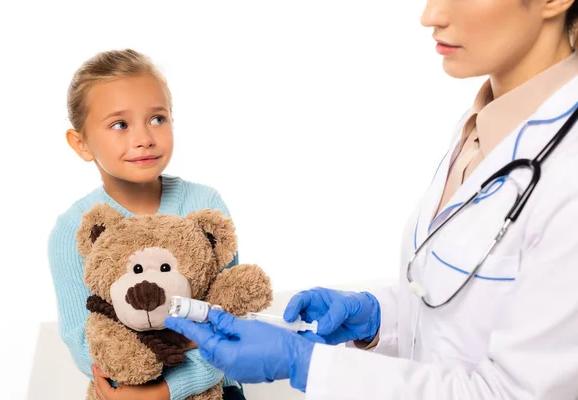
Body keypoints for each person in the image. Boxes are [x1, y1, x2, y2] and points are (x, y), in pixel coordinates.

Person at [164, 0, 578, 398]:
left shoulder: (568, 174)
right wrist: (380, 317)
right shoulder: (488, 122)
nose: (429, 15)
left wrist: (305, 364)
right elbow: (462, 302)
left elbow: (518, 392)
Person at [48, 49, 246, 400]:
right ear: (81, 144)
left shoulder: (204, 205)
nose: (144, 138)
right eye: (120, 125)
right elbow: (83, 337)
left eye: (157, 119)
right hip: (127, 390)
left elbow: (231, 318)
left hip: (215, 388)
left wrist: (170, 388)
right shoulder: (74, 228)